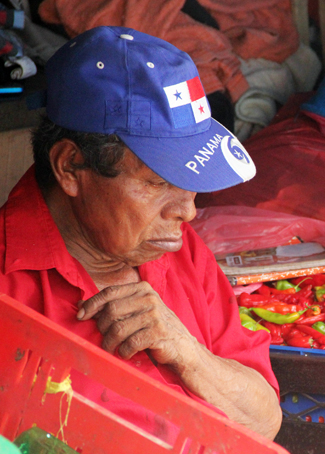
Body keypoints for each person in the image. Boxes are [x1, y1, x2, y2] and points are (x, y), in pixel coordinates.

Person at [0, 26, 282, 441]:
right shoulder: (10, 285)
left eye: (188, 180)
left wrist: (187, 353)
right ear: (71, 167)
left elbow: (264, 422)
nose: (186, 211)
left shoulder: (179, 251)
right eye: (155, 183)